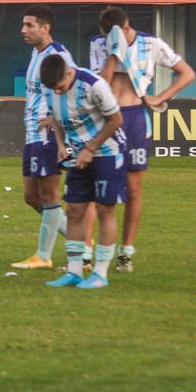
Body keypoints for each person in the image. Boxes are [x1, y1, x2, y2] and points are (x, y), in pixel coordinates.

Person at [96, 7, 196, 273]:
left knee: (134, 189)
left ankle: (126, 252)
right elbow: (100, 86)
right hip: (106, 119)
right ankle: (88, 252)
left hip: (135, 119)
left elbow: (187, 72)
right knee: (99, 186)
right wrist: (113, 56)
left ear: (128, 27)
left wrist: (161, 96)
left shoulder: (151, 45)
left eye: (123, 32)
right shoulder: (99, 45)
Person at [40, 53, 125, 290]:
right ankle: (75, 271)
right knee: (74, 210)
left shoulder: (94, 85)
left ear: (69, 73)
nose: (57, 92)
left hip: (107, 151)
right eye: (53, 89)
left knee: (104, 210)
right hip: (79, 154)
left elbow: (116, 119)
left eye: (60, 87)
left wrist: (91, 148)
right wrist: (60, 144)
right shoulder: (50, 88)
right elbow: (55, 118)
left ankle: (100, 273)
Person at [11, 5, 79, 271]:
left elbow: (73, 84)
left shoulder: (59, 55)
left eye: (29, 25)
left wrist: (56, 117)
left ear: (45, 28)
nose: (23, 30)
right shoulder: (35, 52)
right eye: (24, 25)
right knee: (31, 196)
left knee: (50, 195)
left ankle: (43, 255)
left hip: (48, 135)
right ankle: (80, 240)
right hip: (32, 133)